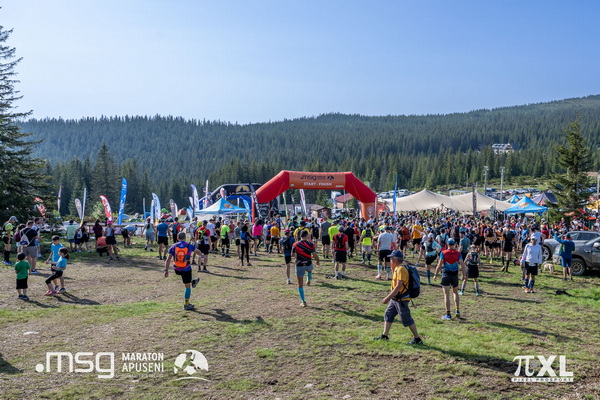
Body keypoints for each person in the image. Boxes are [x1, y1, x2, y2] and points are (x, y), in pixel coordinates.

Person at [373, 250, 422, 345]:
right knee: (388, 314)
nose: (390, 260)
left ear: (395, 260)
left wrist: (387, 298)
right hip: (396, 298)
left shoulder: (401, 269)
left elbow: (398, 286)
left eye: (391, 258)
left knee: (407, 319)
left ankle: (417, 339)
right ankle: (385, 335)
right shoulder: (398, 267)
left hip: (401, 299)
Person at [164, 232, 201, 310]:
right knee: (187, 286)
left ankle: (193, 281)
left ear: (177, 238)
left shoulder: (174, 246)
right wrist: (202, 255)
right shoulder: (189, 245)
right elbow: (197, 251)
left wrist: (166, 270)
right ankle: (186, 304)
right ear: (185, 237)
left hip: (177, 269)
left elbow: (168, 259)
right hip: (186, 268)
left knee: (186, 279)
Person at [434, 238, 466, 320]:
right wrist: (464, 275)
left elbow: (439, 264)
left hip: (446, 274)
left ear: (447, 244)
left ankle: (448, 314)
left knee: (446, 294)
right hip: (455, 275)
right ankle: (457, 310)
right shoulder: (458, 253)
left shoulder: (443, 253)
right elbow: (462, 265)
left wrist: (435, 274)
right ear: (455, 244)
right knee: (455, 292)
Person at [292, 230, 320, 307]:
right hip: (308, 263)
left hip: (299, 264)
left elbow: (292, 254)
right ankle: (308, 279)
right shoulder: (311, 244)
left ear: (300, 236)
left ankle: (303, 301)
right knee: (309, 270)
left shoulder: (295, 244)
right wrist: (317, 261)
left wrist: (298, 256)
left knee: (300, 284)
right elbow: (314, 254)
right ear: (307, 236)